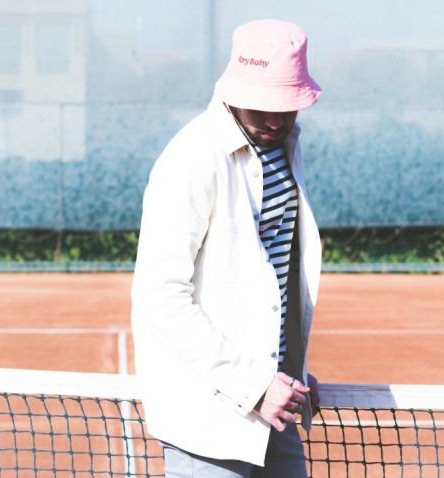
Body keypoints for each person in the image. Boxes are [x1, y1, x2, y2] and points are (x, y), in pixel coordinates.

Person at [130, 18, 323, 478]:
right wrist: (253, 385)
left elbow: (272, 270)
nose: (276, 118)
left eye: (287, 104)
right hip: (211, 417)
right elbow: (159, 294)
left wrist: (287, 367)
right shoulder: (192, 159)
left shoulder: (281, 146)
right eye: (264, 105)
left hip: (272, 403)